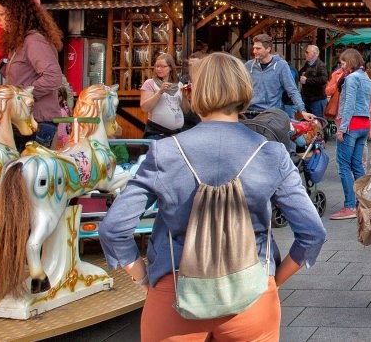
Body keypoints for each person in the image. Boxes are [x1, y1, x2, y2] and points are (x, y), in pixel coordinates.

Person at [98, 52, 327, 341]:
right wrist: (273, 280)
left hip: (176, 288)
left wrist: (145, 279)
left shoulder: (164, 152)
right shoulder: (272, 154)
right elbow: (313, 232)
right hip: (252, 289)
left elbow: (114, 229)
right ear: (244, 90)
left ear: (195, 92)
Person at [0, 0, 63, 149]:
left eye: (1, 14)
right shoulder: (22, 41)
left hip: (36, 121)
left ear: (17, 14)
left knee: (25, 172)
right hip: (24, 119)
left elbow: (53, 77)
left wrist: (22, 98)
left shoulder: (33, 40)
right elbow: (24, 75)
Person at [330, 48, 371, 220]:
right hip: (363, 124)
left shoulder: (351, 78)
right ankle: (362, 203)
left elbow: (348, 104)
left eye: (342, 63)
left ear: (349, 61)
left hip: (352, 125)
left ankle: (349, 206)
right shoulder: (366, 78)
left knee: (344, 165)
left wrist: (342, 127)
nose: (341, 66)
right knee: (357, 165)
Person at [244, 33, 312, 120]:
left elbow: (292, 90)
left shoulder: (281, 66)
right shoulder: (248, 65)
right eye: (254, 48)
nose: (254, 51)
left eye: (258, 48)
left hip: (270, 116)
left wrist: (302, 110)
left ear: (268, 49)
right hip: (248, 114)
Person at [140, 53, 186, 141]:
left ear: (170, 68)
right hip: (157, 133)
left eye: (162, 66)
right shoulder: (150, 83)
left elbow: (185, 109)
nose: (158, 69)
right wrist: (160, 92)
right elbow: (144, 108)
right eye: (157, 66)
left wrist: (187, 95)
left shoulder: (179, 84)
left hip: (177, 134)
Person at [297, 44, 329, 120]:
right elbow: (299, 74)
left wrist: (307, 80)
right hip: (308, 99)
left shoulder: (320, 65)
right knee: (310, 124)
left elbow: (324, 79)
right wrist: (301, 77)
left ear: (314, 54)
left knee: (317, 124)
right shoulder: (307, 64)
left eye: (307, 52)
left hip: (317, 100)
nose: (305, 54)